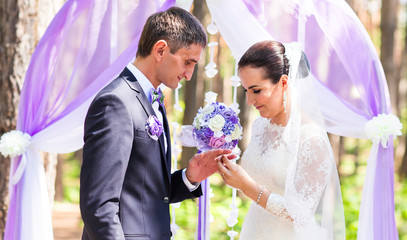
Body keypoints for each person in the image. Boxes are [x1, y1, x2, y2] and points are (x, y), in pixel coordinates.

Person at [80, 7, 235, 240]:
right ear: (161, 49)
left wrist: (188, 177)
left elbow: (144, 192)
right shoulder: (115, 102)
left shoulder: (153, 100)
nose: (189, 74)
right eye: (187, 62)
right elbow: (99, 204)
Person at [218, 41, 345, 239]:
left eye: (256, 90)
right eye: (246, 91)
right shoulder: (261, 127)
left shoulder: (311, 139)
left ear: (284, 82)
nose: (250, 101)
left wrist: (245, 185)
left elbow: (301, 213)